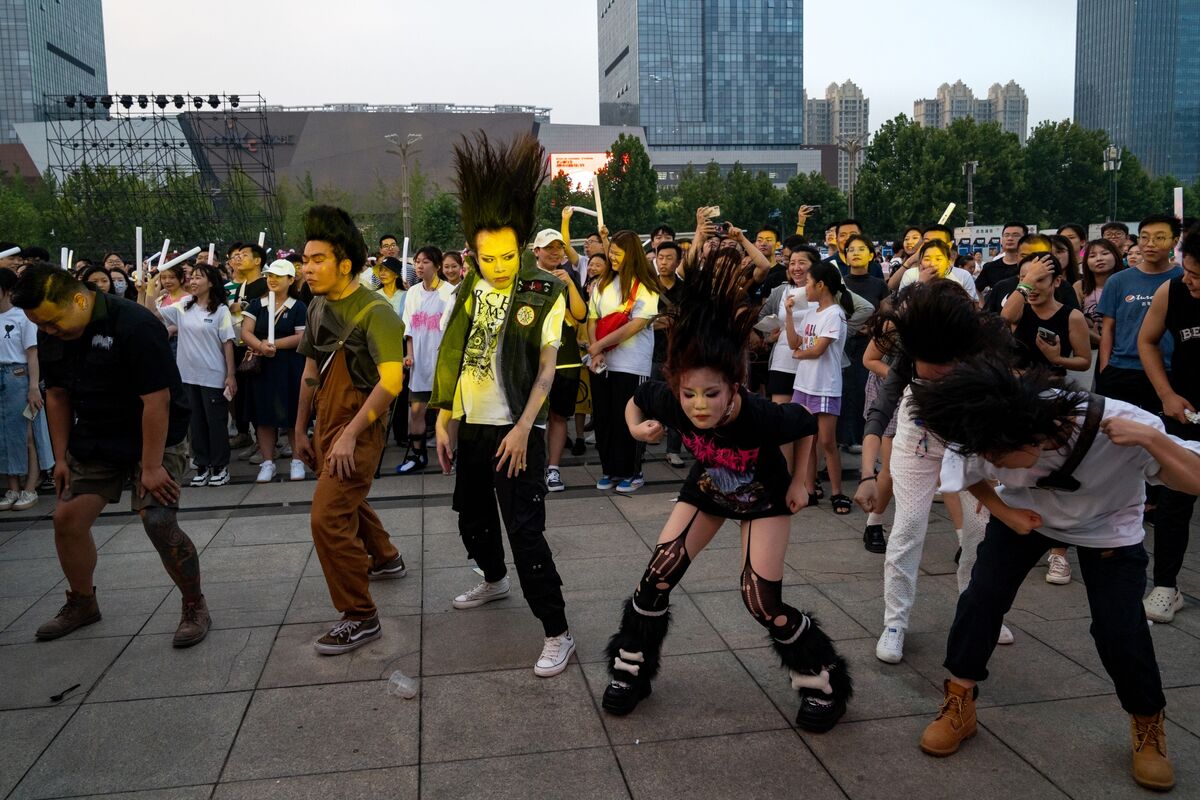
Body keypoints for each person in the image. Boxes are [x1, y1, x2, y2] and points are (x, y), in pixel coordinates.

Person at [908, 360, 1200, 792]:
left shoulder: (1122, 422)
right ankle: (959, 702)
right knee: (981, 598)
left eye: (997, 457)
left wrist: (1153, 439)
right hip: (1027, 515)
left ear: (1034, 435)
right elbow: (965, 476)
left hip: (1108, 524)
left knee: (1119, 629)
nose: (989, 462)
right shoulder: (983, 423)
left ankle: (1148, 724)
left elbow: (1194, 482)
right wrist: (1005, 512)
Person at [600, 247, 852, 731]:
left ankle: (823, 684)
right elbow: (636, 399)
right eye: (689, 394)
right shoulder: (672, 400)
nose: (699, 406)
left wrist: (801, 481)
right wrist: (634, 428)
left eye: (711, 394)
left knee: (760, 600)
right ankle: (630, 671)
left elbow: (804, 425)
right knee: (656, 577)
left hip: (764, 499)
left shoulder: (757, 415)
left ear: (734, 387)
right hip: (708, 490)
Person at [431, 132, 575, 677]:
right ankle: (493, 579)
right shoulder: (471, 286)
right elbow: (456, 351)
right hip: (471, 425)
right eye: (487, 257)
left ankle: (558, 631)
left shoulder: (545, 291)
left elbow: (546, 370)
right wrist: (445, 416)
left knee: (525, 533)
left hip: (517, 428)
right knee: (471, 517)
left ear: (523, 248)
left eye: (507, 257)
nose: (498, 266)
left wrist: (522, 428)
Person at [13, 264, 208, 646]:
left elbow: (157, 401)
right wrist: (61, 458)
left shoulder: (135, 325)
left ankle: (193, 604)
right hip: (98, 433)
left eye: (53, 322)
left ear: (79, 299)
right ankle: (82, 601)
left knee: (157, 518)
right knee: (66, 518)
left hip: (157, 431)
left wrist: (150, 467)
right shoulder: (50, 329)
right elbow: (57, 395)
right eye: (41, 325)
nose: (49, 331)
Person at [855, 281, 1015, 665]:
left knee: (979, 531)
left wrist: (995, 472)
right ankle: (895, 622)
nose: (940, 372)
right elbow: (881, 410)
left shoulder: (985, 357)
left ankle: (977, 607)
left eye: (947, 365)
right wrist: (866, 475)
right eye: (932, 365)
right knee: (908, 526)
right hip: (916, 442)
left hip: (970, 443)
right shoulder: (911, 353)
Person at [293, 205, 408, 655]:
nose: (307, 268)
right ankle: (386, 557)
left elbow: (392, 382)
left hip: (360, 426)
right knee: (345, 497)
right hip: (325, 419)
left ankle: (360, 616)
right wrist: (300, 429)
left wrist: (348, 435)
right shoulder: (318, 305)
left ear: (345, 264)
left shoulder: (377, 311)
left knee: (326, 517)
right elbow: (310, 371)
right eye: (305, 259)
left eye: (318, 259)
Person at [1096, 213, 1184, 528]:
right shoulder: (1120, 281)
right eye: (1145, 237)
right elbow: (1108, 328)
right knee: (1115, 441)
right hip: (1123, 370)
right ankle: (1116, 502)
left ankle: (1155, 501)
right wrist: (1105, 369)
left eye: (1160, 237)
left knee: (1163, 439)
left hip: (1169, 373)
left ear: (1175, 241)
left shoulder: (1184, 279)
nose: (1150, 244)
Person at [1136, 225, 1200, 624]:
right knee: (1175, 501)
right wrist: (1166, 395)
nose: (1190, 281)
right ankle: (1165, 586)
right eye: (1188, 271)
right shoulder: (1172, 291)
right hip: (1185, 412)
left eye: (1198, 276)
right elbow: (1147, 341)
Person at [587, 229, 662, 494]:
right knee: (604, 418)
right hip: (602, 363)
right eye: (611, 253)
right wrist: (596, 350)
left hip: (632, 364)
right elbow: (592, 319)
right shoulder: (602, 283)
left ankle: (633, 471)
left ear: (632, 255)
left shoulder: (646, 286)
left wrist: (599, 345)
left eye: (618, 254)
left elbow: (636, 325)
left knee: (628, 419)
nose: (613, 258)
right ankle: (609, 469)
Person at [157, 264, 237, 487]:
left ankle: (220, 467)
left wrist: (231, 375)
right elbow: (154, 314)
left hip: (213, 375)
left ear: (211, 282)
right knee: (196, 425)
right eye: (191, 277)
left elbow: (227, 343)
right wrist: (148, 289)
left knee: (216, 423)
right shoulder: (184, 306)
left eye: (198, 277)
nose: (193, 281)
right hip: (187, 377)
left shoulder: (221, 310)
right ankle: (202, 465)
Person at [786, 260, 851, 513]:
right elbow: (795, 343)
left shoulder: (834, 313)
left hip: (825, 385)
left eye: (809, 283)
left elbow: (817, 350)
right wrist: (789, 314)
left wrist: (800, 354)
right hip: (804, 384)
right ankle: (810, 489)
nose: (805, 288)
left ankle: (837, 492)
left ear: (821, 285)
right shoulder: (812, 312)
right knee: (807, 441)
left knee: (827, 441)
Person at [530, 229, 588, 493]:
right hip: (534, 359)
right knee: (532, 416)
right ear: (536, 251)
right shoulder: (527, 279)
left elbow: (581, 314)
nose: (555, 252)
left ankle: (553, 469)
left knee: (559, 416)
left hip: (565, 359)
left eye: (559, 247)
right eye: (549, 247)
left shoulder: (568, 277)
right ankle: (532, 467)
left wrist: (570, 284)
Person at [241, 259, 308, 483]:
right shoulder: (256, 304)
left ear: (290, 280)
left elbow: (301, 337)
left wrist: (274, 345)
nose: (273, 280)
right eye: (270, 275)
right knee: (264, 415)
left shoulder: (298, 307)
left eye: (278, 276)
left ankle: (297, 460)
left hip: (289, 366)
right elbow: (246, 331)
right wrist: (260, 346)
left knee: (293, 414)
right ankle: (268, 462)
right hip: (262, 368)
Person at [395, 246, 454, 475]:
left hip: (442, 362)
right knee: (416, 411)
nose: (419, 266)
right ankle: (418, 454)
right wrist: (409, 354)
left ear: (437, 266)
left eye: (425, 262)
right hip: (419, 363)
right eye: (417, 261)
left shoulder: (450, 293)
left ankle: (449, 455)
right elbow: (409, 329)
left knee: (444, 413)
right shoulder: (412, 293)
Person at [0, 269, 48, 511]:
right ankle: (12, 487)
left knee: (26, 434)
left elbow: (32, 354)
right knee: (4, 436)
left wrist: (33, 387)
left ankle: (30, 487)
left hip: (17, 376)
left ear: (7, 290)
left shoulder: (22, 316)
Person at [1000, 253, 1091, 376]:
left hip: (1052, 384)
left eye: (1039, 279)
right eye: (1025, 279)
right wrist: (1029, 280)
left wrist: (1057, 359)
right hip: (1018, 383)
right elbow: (1006, 317)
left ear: (1057, 281)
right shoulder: (1019, 309)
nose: (1032, 286)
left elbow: (1084, 361)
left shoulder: (1073, 316)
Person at [839, 234, 889, 451]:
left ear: (871, 255)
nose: (856, 253)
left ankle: (862, 438)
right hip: (841, 345)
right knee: (843, 390)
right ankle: (842, 438)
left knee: (863, 390)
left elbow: (887, 316)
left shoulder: (879, 285)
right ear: (845, 256)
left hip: (869, 347)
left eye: (861, 249)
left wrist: (872, 328)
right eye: (851, 250)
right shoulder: (839, 284)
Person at [228, 243, 268, 452]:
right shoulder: (241, 287)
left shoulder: (266, 284)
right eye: (237, 255)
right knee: (244, 395)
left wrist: (243, 307)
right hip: (239, 344)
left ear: (257, 260)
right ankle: (249, 436)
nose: (238, 258)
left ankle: (267, 444)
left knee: (260, 395)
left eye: (244, 255)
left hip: (259, 346)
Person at [652, 241, 686, 467]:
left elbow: (687, 319)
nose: (663, 262)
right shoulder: (648, 286)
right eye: (660, 257)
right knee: (649, 400)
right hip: (651, 352)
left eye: (669, 258)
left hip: (678, 354)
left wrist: (662, 320)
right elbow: (643, 322)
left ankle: (673, 449)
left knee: (677, 402)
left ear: (678, 261)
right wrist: (670, 320)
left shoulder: (685, 289)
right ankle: (642, 445)